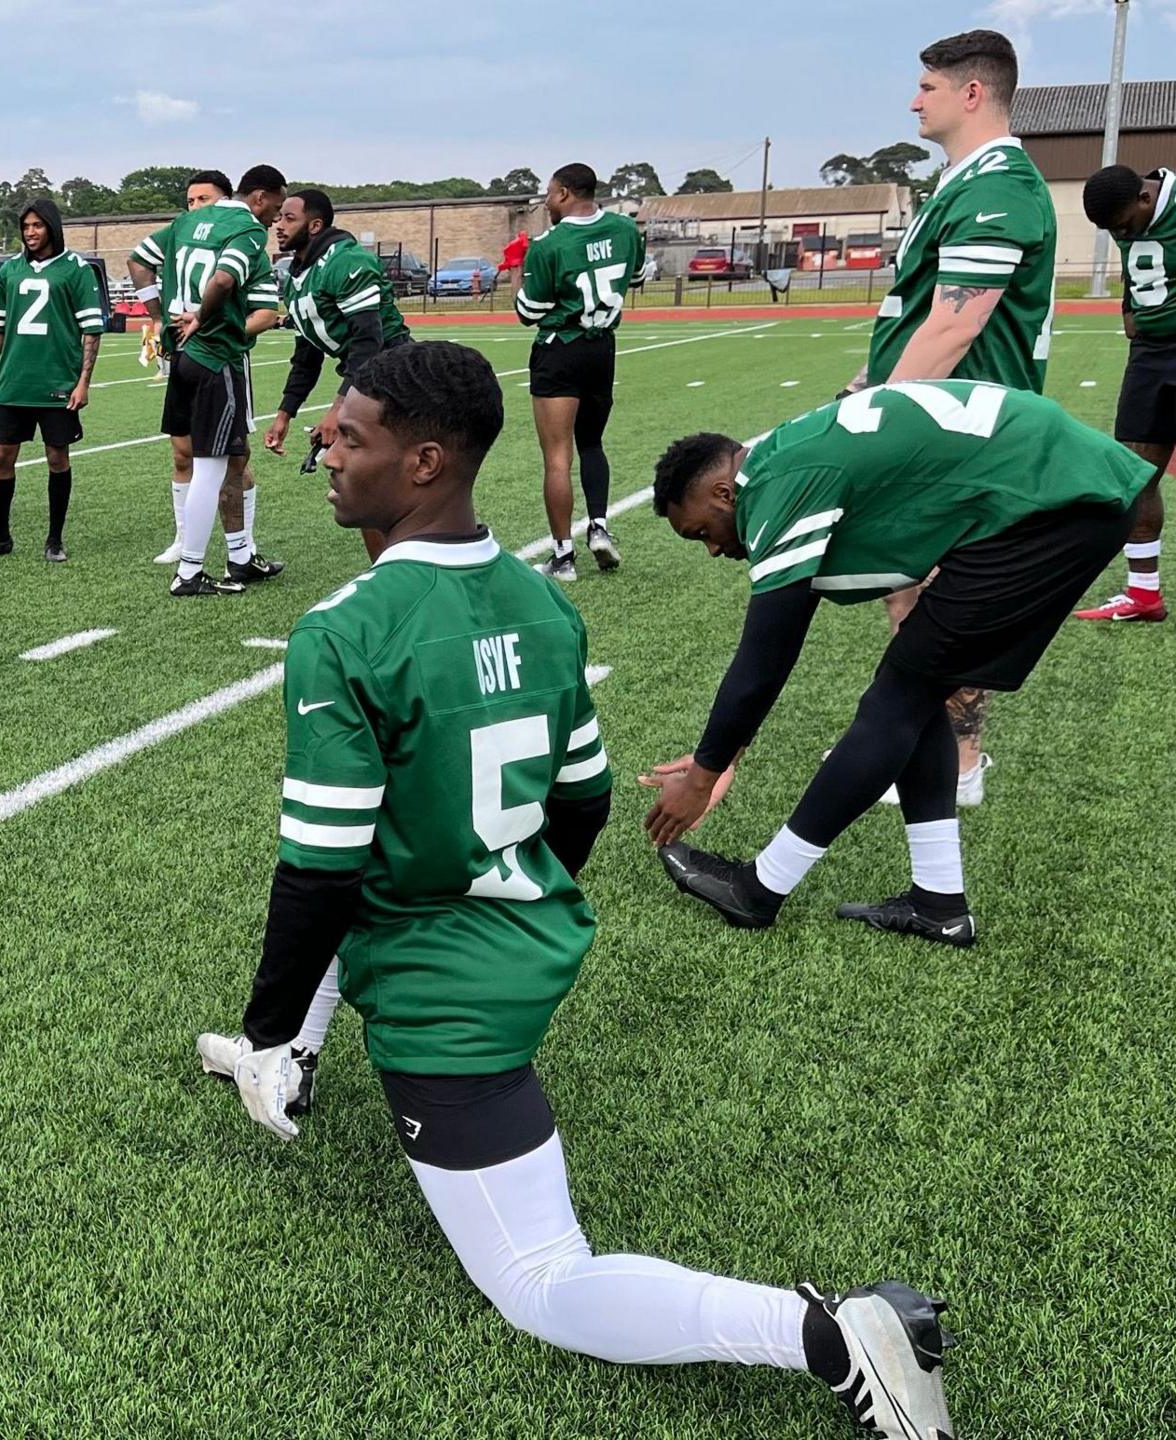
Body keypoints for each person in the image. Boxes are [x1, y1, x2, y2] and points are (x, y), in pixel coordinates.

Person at [193, 339, 956, 1440]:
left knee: (541, 1280)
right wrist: (508, 892)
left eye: (346, 434)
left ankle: (834, 1337)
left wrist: (276, 1013)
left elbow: (316, 867)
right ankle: (287, 1054)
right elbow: (586, 801)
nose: (324, 446)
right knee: (370, 883)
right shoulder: (539, 605)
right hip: (525, 933)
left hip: (447, 996)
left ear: (423, 462)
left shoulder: (345, 630)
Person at [643, 382, 1149, 947]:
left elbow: (767, 653)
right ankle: (939, 904)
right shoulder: (784, 455)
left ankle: (759, 890)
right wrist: (727, 749)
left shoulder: (774, 485)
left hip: (1056, 506)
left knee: (896, 700)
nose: (713, 549)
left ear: (723, 493)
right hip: (1062, 489)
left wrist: (704, 774)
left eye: (702, 533)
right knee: (917, 690)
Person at [834, 27, 1055, 805]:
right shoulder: (963, 182)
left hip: (970, 427)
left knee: (943, 597)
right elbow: (921, 313)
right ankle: (924, 746)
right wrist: (869, 382)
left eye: (926, 87)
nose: (913, 99)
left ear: (972, 93)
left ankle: (959, 764)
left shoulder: (998, 185)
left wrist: (882, 420)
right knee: (909, 587)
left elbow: (958, 324)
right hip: (941, 416)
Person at [257, 188, 414, 558]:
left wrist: (340, 410)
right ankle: (388, 570)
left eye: (288, 218)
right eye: (279, 217)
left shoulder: (346, 262)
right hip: (369, 381)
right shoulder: (299, 274)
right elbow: (307, 354)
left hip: (395, 374)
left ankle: (399, 568)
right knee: (361, 481)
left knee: (373, 480)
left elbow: (368, 342)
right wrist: (284, 413)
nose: (278, 226)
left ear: (315, 225)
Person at [515, 162, 642, 582]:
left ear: (566, 193)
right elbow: (635, 278)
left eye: (550, 194)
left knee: (556, 457)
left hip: (560, 349)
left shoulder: (550, 244)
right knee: (592, 443)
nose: (547, 202)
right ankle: (600, 527)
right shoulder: (625, 229)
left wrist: (521, 273)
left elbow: (527, 312)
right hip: (602, 347)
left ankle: (563, 557)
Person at [156, 166, 279, 596]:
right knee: (212, 466)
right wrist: (201, 317)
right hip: (215, 356)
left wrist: (162, 320)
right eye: (275, 209)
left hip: (183, 355)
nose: (274, 220)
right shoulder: (245, 227)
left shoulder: (185, 223)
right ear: (260, 197)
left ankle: (240, 558)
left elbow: (141, 259)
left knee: (219, 459)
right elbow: (224, 279)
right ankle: (189, 571)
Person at [0, 198, 104, 564]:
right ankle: (0, 537)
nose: (30, 233)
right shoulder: (10, 270)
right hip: (13, 382)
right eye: (25, 227)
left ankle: (55, 538)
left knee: (57, 456)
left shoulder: (76, 269)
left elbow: (92, 331)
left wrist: (83, 382)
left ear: (52, 227)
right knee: (1, 455)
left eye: (37, 225)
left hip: (58, 381)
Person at [1076, 163, 1172, 623]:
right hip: (1150, 356)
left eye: (1122, 225)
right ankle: (1144, 595)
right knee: (1134, 473)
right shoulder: (1125, 212)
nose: (1121, 233)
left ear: (1145, 199)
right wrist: (1129, 306)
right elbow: (1136, 269)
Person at [129, 177, 227, 562]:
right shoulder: (176, 231)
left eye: (204, 198)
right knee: (182, 452)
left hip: (221, 354)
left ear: (225, 202)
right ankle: (184, 538)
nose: (196, 205)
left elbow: (264, 309)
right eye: (190, 199)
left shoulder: (236, 233)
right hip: (180, 352)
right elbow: (137, 261)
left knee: (234, 459)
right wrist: (156, 317)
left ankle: (244, 546)